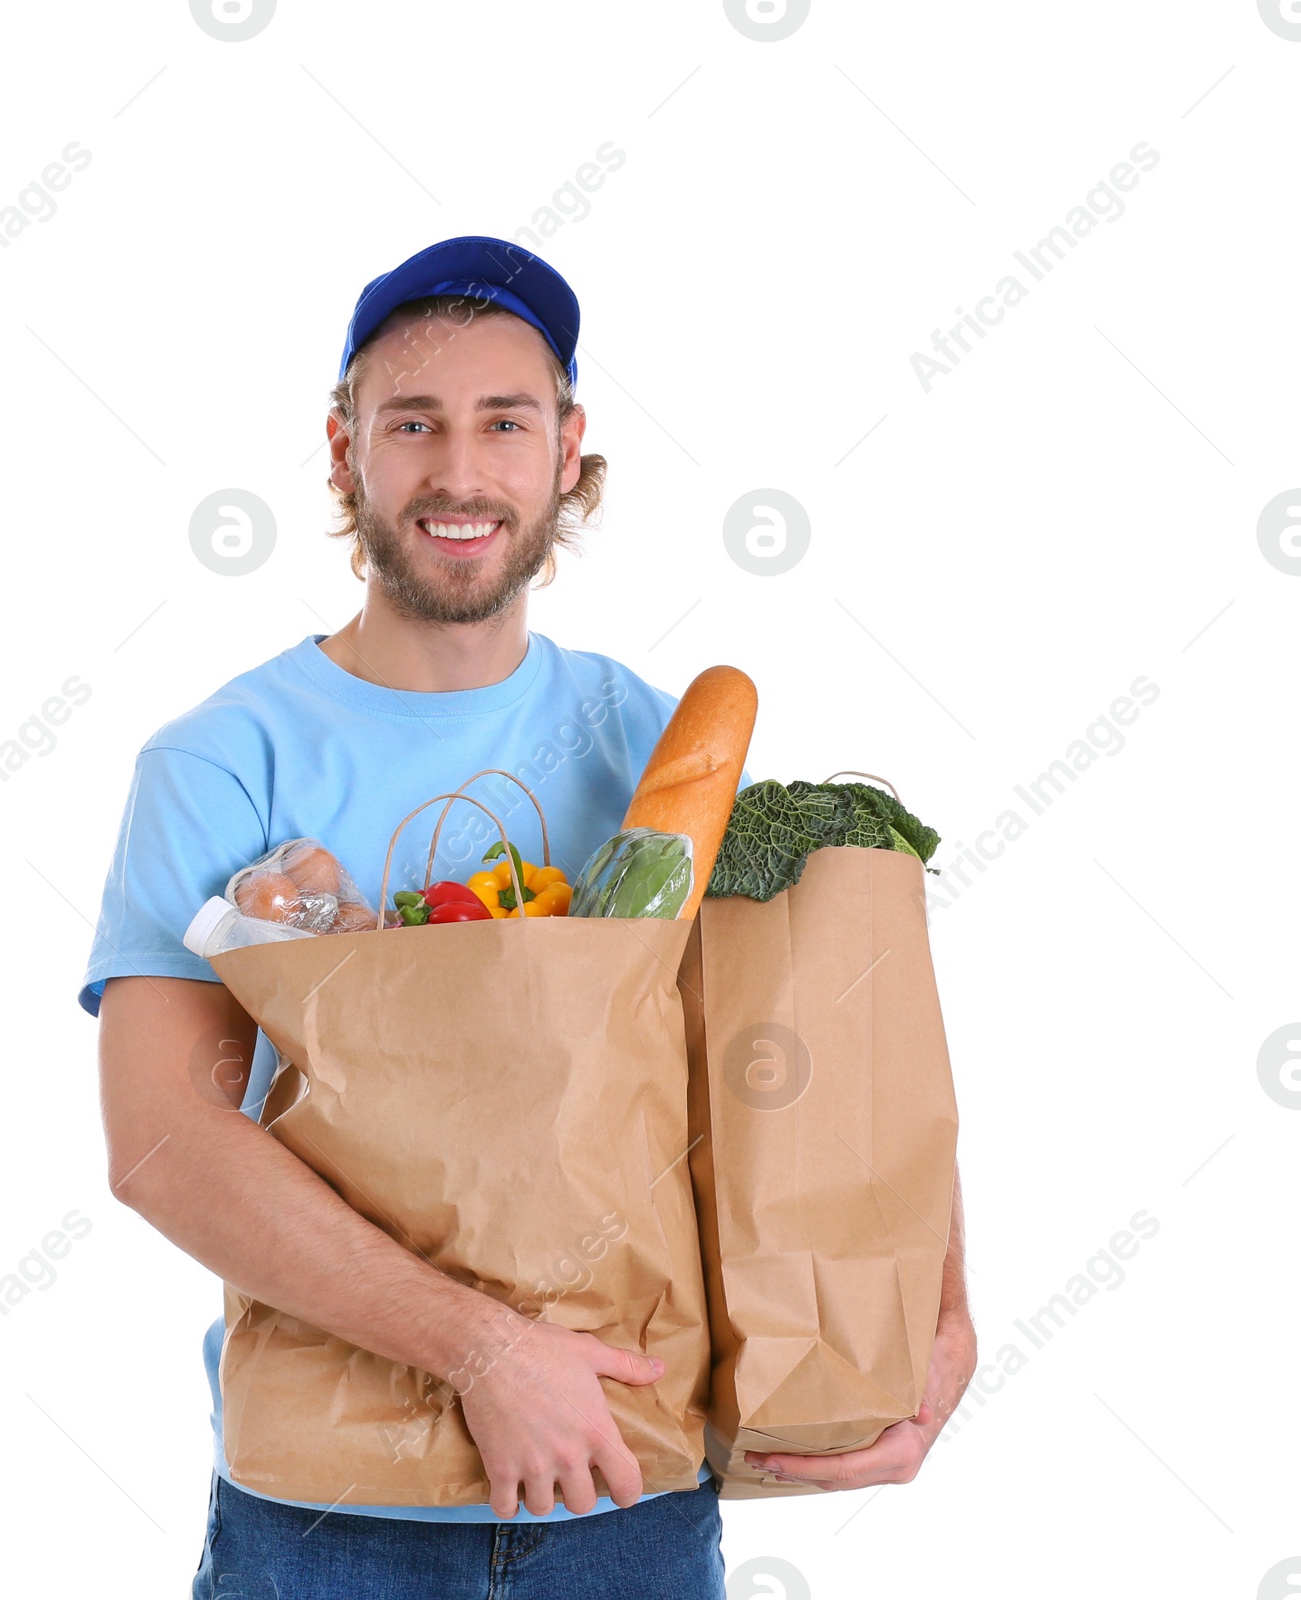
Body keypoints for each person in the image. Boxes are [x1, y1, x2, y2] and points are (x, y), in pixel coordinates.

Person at [79, 237, 976, 1598]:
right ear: (344, 454)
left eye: (505, 422)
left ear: (567, 452)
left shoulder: (657, 746)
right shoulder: (226, 758)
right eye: (412, 425)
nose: (459, 472)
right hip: (329, 1518)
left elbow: (802, 1059)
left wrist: (936, 1311)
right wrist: (485, 1354)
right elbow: (159, 1140)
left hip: (632, 1495)